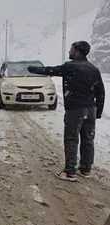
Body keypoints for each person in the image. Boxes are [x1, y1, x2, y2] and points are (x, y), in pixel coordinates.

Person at [27, 41, 105, 182]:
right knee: (88, 139)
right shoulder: (94, 69)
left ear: (77, 52)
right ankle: (86, 169)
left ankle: (69, 172)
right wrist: (98, 111)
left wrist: (32, 69)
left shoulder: (71, 67)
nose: (69, 51)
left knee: (71, 139)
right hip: (90, 109)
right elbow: (101, 91)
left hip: (75, 109)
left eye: (71, 49)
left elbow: (52, 70)